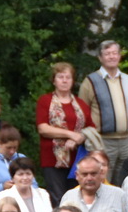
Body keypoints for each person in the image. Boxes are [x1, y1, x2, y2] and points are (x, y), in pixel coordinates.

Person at [78, 40, 128, 183]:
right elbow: (82, 110)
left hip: (127, 140)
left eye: (114, 53)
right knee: (102, 179)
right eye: (107, 54)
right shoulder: (91, 81)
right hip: (102, 140)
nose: (112, 57)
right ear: (100, 57)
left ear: (119, 56)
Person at [35, 62, 92, 203]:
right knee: (58, 198)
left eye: (68, 77)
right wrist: (70, 134)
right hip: (53, 159)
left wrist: (78, 139)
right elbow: (43, 128)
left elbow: (91, 128)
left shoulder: (81, 104)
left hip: (77, 160)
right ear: (54, 80)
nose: (64, 80)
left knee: (78, 197)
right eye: (61, 77)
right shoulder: (45, 101)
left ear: (73, 81)